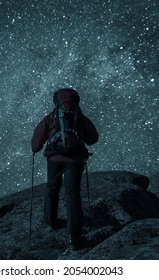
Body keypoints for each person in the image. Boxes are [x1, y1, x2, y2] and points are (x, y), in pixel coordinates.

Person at [31, 88, 99, 250]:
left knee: (52, 189)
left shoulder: (51, 117)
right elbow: (93, 139)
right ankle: (74, 237)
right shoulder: (80, 118)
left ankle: (51, 220)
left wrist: (36, 149)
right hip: (75, 161)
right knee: (73, 194)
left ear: (57, 101)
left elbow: (35, 145)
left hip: (55, 159)